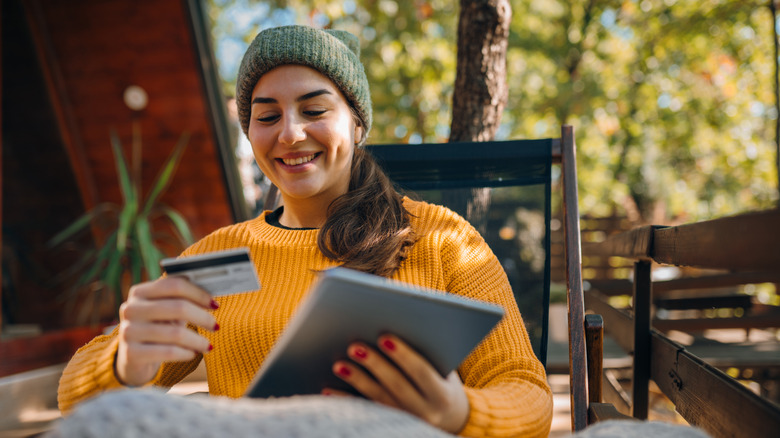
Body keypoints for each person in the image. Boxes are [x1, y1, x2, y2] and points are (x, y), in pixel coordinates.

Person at [57, 25, 553, 437]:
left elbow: (527, 392)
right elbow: (74, 398)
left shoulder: (443, 238)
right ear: (250, 134)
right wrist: (125, 361)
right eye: (267, 116)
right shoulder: (224, 253)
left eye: (315, 110)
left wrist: (457, 412)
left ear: (358, 125)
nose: (290, 134)